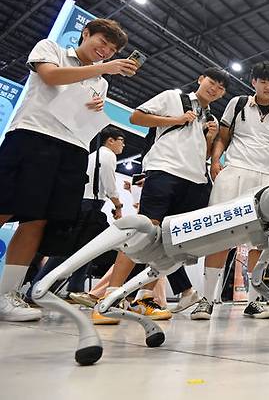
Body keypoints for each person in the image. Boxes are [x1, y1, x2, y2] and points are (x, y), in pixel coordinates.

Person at [0, 19, 135, 322]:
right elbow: (49, 76)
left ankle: (6, 295)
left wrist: (95, 104)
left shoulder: (101, 81)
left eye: (111, 51)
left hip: (72, 147)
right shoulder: (52, 49)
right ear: (85, 34)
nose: (105, 52)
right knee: (4, 209)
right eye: (102, 42)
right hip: (32, 136)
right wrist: (102, 69)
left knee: (37, 220)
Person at [91, 67, 228, 324]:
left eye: (221, 87)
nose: (215, 88)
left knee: (170, 242)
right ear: (200, 79)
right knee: (145, 233)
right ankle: (107, 299)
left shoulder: (210, 117)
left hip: (195, 180)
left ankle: (145, 298)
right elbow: (137, 117)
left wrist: (210, 137)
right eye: (212, 82)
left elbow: (206, 154)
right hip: (165, 169)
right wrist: (175, 120)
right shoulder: (172, 98)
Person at [204, 61, 269, 319]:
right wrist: (215, 161)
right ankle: (206, 299)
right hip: (235, 172)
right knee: (219, 236)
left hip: (267, 179)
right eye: (263, 81)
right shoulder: (238, 103)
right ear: (253, 82)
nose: (268, 86)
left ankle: (253, 302)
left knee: (261, 242)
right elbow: (223, 136)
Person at [28, 125, 126, 298]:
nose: (123, 146)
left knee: (84, 250)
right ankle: (37, 290)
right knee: (67, 252)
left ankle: (74, 289)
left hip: (80, 203)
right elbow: (110, 185)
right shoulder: (108, 155)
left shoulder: (92, 156)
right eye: (121, 141)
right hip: (89, 207)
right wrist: (118, 206)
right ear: (110, 140)